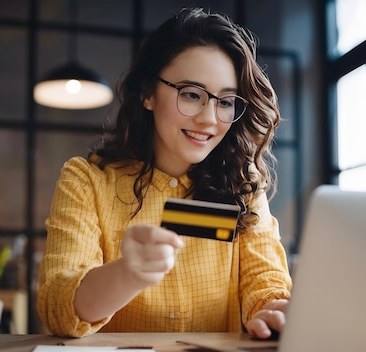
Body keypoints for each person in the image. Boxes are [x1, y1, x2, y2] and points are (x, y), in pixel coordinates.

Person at [37, 7, 292, 339]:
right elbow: (59, 307)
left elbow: (264, 281)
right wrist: (128, 274)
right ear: (147, 93)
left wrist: (270, 310)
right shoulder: (87, 181)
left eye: (226, 101)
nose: (209, 119)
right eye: (191, 94)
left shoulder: (242, 188)